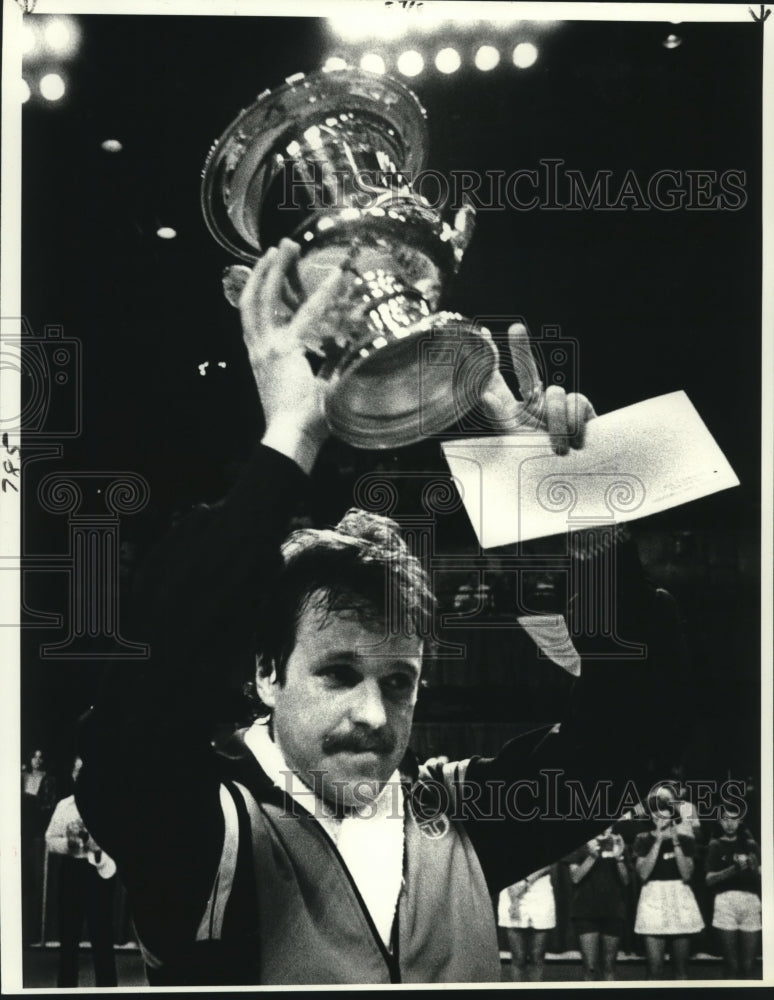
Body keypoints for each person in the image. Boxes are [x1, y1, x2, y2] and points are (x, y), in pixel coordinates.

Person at [76, 238, 685, 986]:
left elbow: (638, 726)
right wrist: (290, 437)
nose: (375, 713)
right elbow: (146, 687)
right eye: (338, 672)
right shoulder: (197, 822)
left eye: (399, 681)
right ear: (266, 674)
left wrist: (563, 493)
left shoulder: (460, 813)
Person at [45, 757, 118, 987]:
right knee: (69, 939)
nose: (81, 777)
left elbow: (118, 842)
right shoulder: (64, 806)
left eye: (86, 773)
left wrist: (98, 847)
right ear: (73, 776)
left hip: (98, 874)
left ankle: (108, 990)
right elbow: (49, 840)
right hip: (71, 874)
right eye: (77, 772)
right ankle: (66, 989)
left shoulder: (107, 806)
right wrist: (69, 843)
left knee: (102, 939)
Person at [633, 787, 704, 979]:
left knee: (681, 971)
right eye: (656, 817)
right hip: (652, 898)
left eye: (664, 817)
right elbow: (643, 874)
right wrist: (657, 843)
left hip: (680, 897)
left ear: (673, 818)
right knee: (654, 971)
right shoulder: (643, 839)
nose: (660, 821)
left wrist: (675, 842)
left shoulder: (685, 840)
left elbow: (687, 874)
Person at [705, 803, 761, 978]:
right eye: (725, 819)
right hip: (725, 901)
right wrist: (733, 870)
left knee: (749, 964)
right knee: (731, 964)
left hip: (750, 901)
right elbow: (709, 880)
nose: (729, 824)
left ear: (740, 821)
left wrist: (754, 868)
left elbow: (763, 878)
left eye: (733, 819)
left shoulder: (751, 844)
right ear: (720, 822)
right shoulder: (714, 844)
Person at [566, 827, 629, 981]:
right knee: (590, 967)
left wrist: (619, 858)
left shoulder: (618, 843)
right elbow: (575, 877)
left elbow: (626, 880)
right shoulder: (580, 845)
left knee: (609, 966)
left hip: (613, 910)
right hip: (585, 911)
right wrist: (592, 856)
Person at [21, 749, 57, 944]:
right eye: (34, 755)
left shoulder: (48, 780)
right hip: (21, 831)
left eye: (41, 756)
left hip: (37, 832)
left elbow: (47, 806)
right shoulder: (21, 775)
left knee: (35, 879)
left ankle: (37, 932)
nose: (37, 759)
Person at [498, 866, 556, 982]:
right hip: (511, 888)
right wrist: (513, 898)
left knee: (537, 957)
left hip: (540, 889)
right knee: (518, 957)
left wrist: (526, 882)